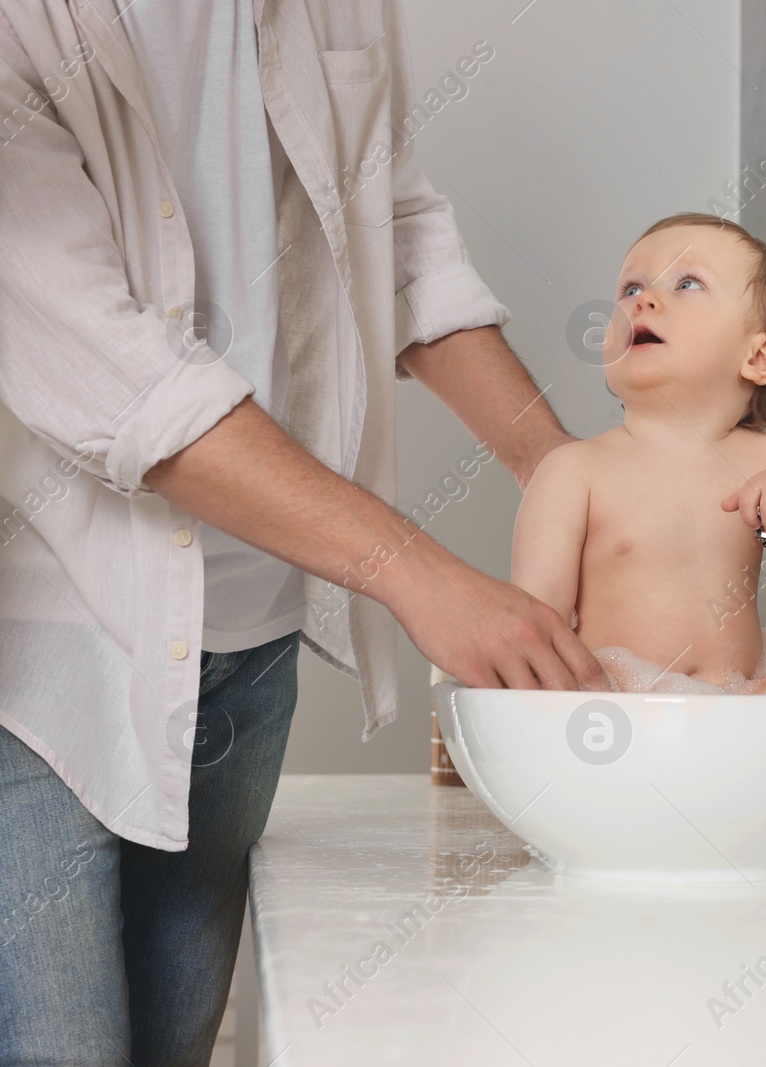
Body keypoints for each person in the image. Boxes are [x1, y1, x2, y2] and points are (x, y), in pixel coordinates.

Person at [0, 2, 603, 1062]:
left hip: (252, 636)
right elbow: (112, 374)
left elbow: (392, 221)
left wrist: (568, 476)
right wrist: (413, 573)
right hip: (45, 651)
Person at [511, 213, 766, 693]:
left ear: (760, 357)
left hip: (736, 700)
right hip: (622, 703)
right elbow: (536, 619)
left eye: (688, 283)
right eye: (630, 288)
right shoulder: (574, 471)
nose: (643, 300)